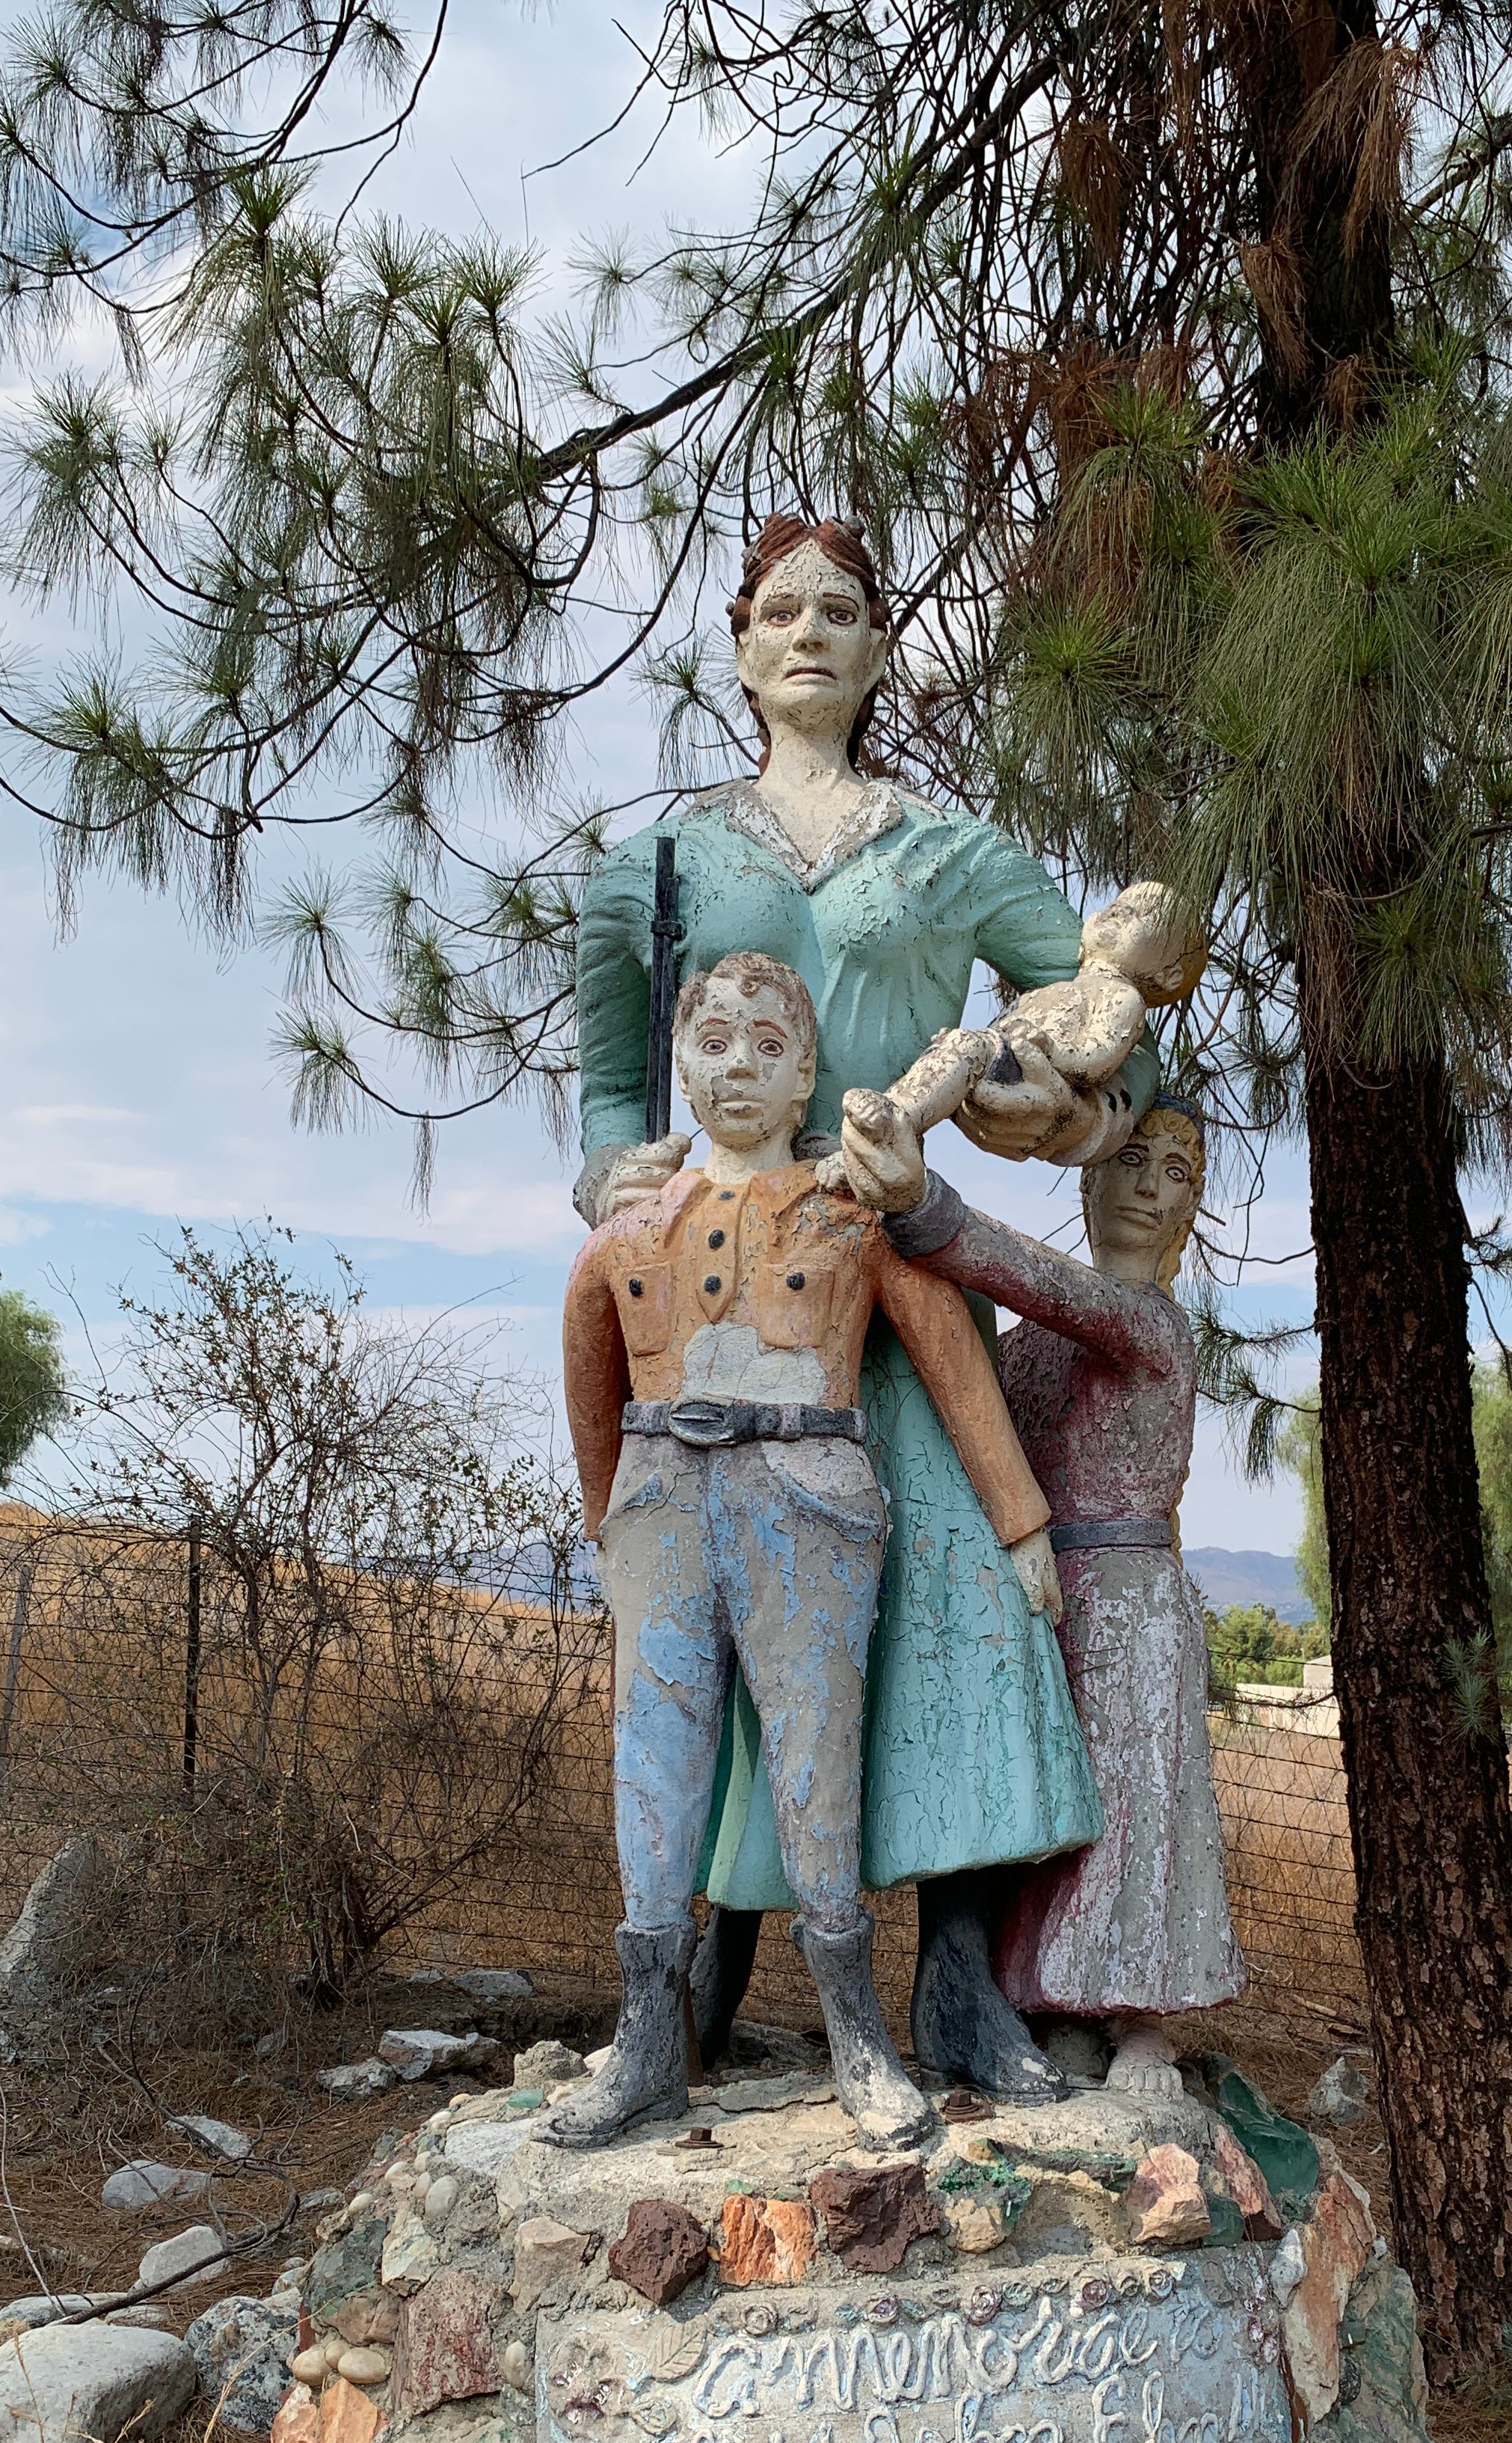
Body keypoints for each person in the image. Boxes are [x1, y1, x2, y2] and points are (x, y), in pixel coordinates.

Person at [574, 511, 1170, 2102]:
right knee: (719, 1612)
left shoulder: (954, 854)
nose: (812, 634)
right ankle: (696, 1979)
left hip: (901, 1271)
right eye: (782, 611)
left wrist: (1013, 1112)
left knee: (960, 1615)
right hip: (733, 1300)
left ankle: (960, 1989)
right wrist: (613, 1186)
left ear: (883, 645)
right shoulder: (660, 862)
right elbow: (603, 1075)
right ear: (740, 641)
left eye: (844, 609)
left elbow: (1109, 1052)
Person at [549, 951, 1063, 2152]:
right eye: (713, 1041)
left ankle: (857, 2040)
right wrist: (604, 1519)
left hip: (809, 1498)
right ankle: (647, 2045)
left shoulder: (851, 1220)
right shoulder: (634, 1230)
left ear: (807, 1080)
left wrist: (1020, 1520)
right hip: (664, 1499)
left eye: (767, 1047)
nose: (737, 1066)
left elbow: (950, 1357)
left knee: (817, 1756)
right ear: (680, 1064)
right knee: (655, 1761)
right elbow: (587, 1360)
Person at [840, 1088, 1245, 2092]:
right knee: (1050, 1811)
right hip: (1031, 1596)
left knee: (1128, 1807)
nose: (1150, 1188)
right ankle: (1042, 2000)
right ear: (1089, 1175)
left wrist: (923, 1206)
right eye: (1131, 1162)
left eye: (1178, 1173)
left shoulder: (1148, 1324)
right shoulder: (1022, 1353)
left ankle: (1134, 2014)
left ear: (1193, 1209)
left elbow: (1049, 1285)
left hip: (1127, 1600)